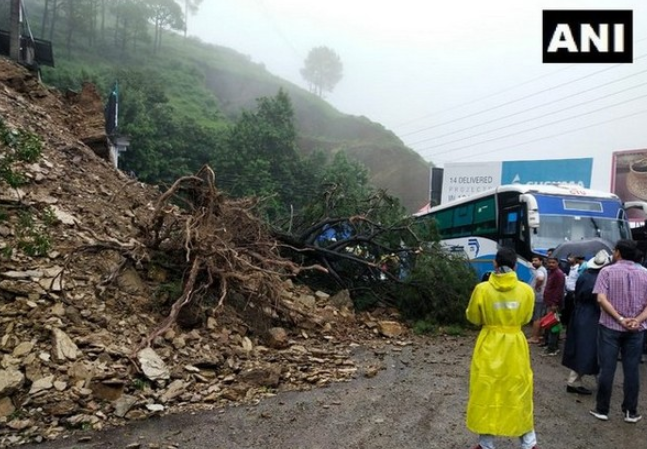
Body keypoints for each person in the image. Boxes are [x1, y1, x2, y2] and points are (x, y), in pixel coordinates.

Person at [466, 247, 539, 449]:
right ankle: (528, 442)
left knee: (486, 390)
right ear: (515, 266)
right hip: (515, 345)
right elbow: (526, 318)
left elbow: (472, 317)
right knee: (519, 390)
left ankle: (486, 443)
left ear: (494, 263)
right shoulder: (526, 291)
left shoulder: (482, 289)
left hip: (489, 343)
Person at [590, 239, 647, 423]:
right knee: (632, 370)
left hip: (610, 327)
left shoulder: (606, 271)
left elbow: (601, 299)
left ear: (618, 253)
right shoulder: (645, 273)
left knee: (607, 368)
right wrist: (636, 320)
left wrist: (620, 319)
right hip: (636, 329)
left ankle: (602, 409)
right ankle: (631, 412)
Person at [561, 250, 612, 395]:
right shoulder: (599, 279)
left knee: (582, 348)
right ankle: (591, 381)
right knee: (589, 349)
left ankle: (579, 380)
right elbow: (598, 301)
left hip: (580, 313)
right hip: (592, 316)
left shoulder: (584, 275)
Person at [542, 256, 565, 356]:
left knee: (553, 326)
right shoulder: (551, 273)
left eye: (553, 262)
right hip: (549, 302)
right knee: (549, 325)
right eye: (549, 262)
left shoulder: (559, 274)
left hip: (554, 304)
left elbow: (558, 290)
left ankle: (552, 348)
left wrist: (554, 304)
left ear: (557, 263)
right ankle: (550, 345)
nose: (551, 264)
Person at [527, 256, 547, 344]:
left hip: (538, 297)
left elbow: (540, 279)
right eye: (532, 260)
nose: (533, 262)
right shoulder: (542, 269)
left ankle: (535, 337)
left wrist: (536, 287)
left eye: (536, 260)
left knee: (536, 318)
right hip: (542, 296)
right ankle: (539, 334)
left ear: (541, 261)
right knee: (540, 316)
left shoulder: (540, 270)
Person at [562, 254, 582, 329]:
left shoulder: (578, 269)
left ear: (576, 258)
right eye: (568, 257)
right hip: (566, 291)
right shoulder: (567, 267)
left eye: (571, 257)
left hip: (573, 292)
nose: (569, 259)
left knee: (571, 311)